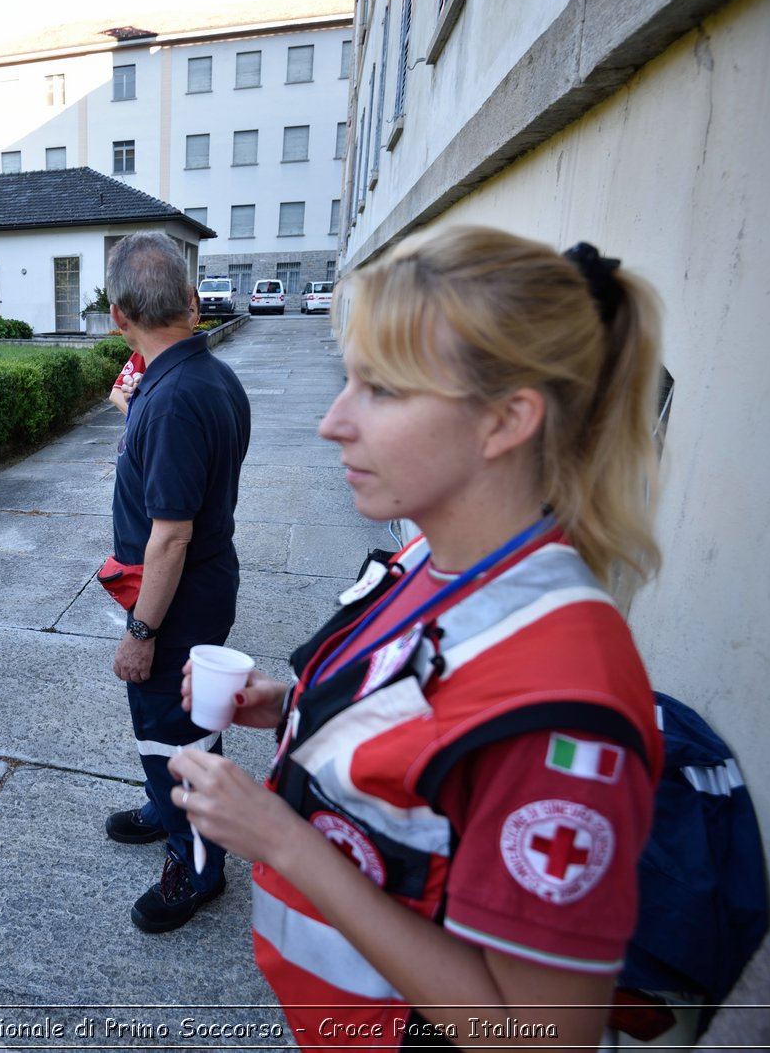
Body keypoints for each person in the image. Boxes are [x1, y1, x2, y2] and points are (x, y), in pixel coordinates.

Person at [169, 226, 666, 1047]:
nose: (333, 421)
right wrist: (290, 703)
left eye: (382, 390)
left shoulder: (564, 708)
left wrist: (280, 839)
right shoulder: (438, 554)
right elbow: (426, 705)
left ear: (506, 421)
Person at [103, 232, 250, 933]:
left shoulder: (171, 399)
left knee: (174, 733)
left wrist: (141, 634)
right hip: (198, 585)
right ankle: (167, 806)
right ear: (192, 304)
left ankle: (197, 868)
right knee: (182, 724)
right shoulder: (204, 376)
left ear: (116, 314)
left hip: (176, 597)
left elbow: (171, 536)